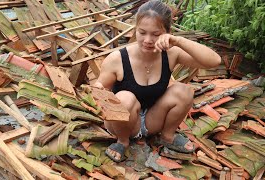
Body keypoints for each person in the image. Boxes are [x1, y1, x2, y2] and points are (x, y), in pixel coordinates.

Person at [94, 0, 221, 162]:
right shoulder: (117, 59)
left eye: (155, 34)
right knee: (125, 98)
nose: (148, 40)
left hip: (152, 120)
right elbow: (99, 90)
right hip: (122, 123)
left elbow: (214, 61)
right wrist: (98, 91)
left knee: (184, 91)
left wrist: (178, 41)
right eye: (142, 32)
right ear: (135, 29)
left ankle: (167, 137)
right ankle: (122, 142)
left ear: (167, 32)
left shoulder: (171, 53)